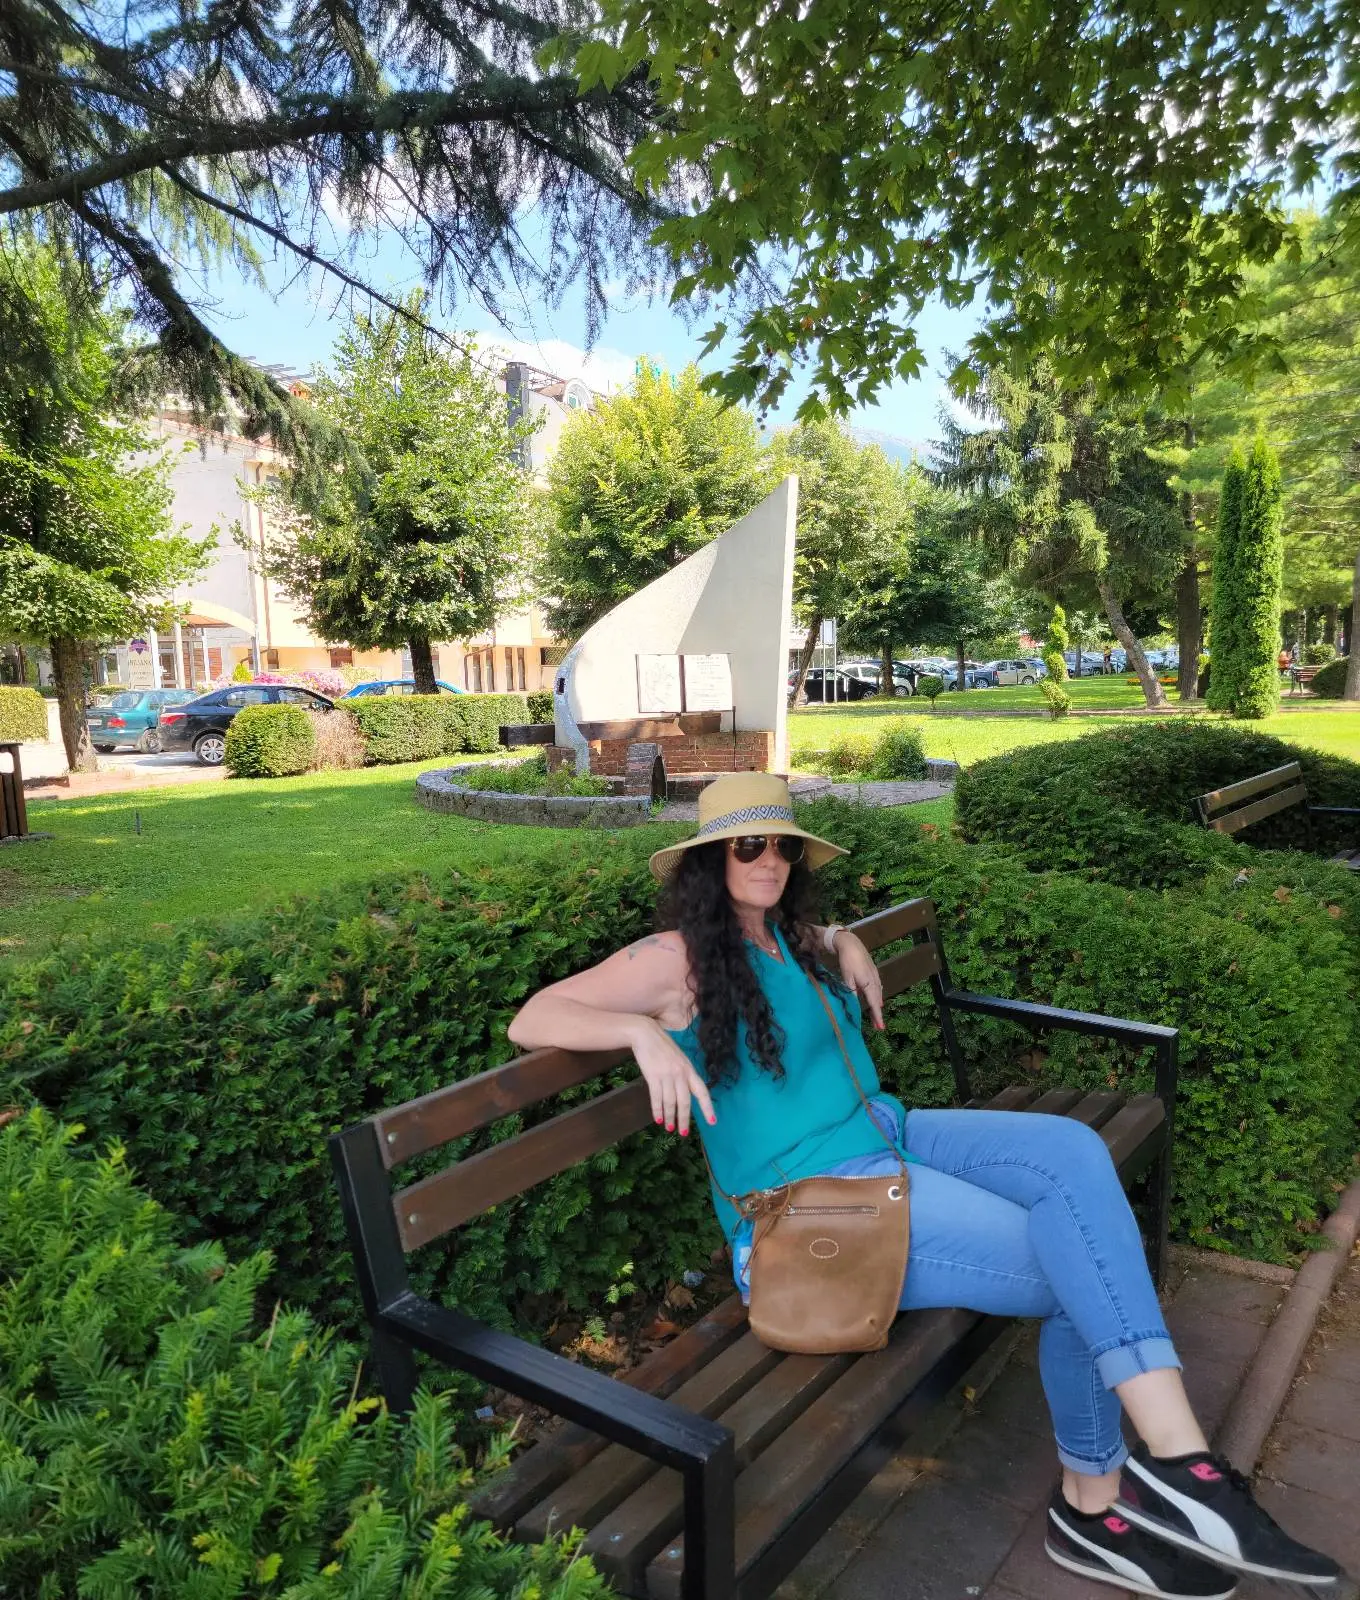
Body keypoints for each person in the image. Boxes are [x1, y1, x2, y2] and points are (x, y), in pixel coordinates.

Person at [508, 773, 1341, 1600]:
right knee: (1075, 1268)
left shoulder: (787, 935)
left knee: (1074, 1154)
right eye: (746, 845)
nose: (768, 860)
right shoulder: (673, 959)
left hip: (889, 1136)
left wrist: (844, 937)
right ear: (707, 862)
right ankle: (1123, 1491)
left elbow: (823, 939)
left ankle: (1164, 1473)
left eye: (783, 846)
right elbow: (535, 1015)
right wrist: (637, 1036)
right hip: (805, 1215)